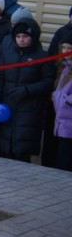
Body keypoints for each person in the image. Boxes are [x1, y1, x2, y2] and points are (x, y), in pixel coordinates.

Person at [0, 18, 55, 162]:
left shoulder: (42, 57)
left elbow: (48, 82)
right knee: (5, 144)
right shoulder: (8, 55)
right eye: (18, 36)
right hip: (7, 104)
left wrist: (27, 90)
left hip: (29, 107)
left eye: (25, 36)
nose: (21, 40)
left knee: (22, 147)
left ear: (33, 37)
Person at [52, 31, 72, 171]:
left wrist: (66, 101)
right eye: (63, 48)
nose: (66, 51)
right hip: (63, 121)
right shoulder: (65, 67)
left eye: (69, 48)